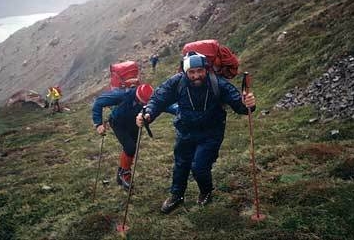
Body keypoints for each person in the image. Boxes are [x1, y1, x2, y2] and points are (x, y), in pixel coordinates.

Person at [136, 52, 256, 214]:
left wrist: (247, 104)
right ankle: (177, 195)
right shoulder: (176, 82)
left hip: (211, 133)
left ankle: (206, 191)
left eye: (200, 71)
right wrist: (148, 113)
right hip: (185, 130)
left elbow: (239, 104)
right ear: (185, 72)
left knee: (199, 167)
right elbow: (158, 99)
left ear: (206, 69)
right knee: (181, 164)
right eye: (191, 72)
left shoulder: (218, 83)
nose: (196, 75)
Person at [92, 84, 155, 191]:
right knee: (130, 147)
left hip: (134, 123)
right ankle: (125, 174)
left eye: (144, 103)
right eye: (140, 102)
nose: (141, 104)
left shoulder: (151, 98)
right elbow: (99, 102)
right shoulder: (122, 95)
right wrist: (98, 124)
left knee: (130, 148)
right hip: (118, 123)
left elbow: (164, 105)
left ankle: (121, 173)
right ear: (136, 95)